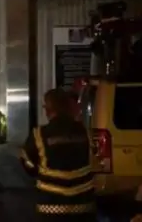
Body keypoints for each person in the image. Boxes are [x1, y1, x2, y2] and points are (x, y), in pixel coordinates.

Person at [20, 88, 96, 221]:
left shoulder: (39, 134)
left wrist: (38, 171)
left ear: (48, 110)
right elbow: (93, 159)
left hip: (50, 206)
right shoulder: (85, 132)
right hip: (83, 205)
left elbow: (26, 161)